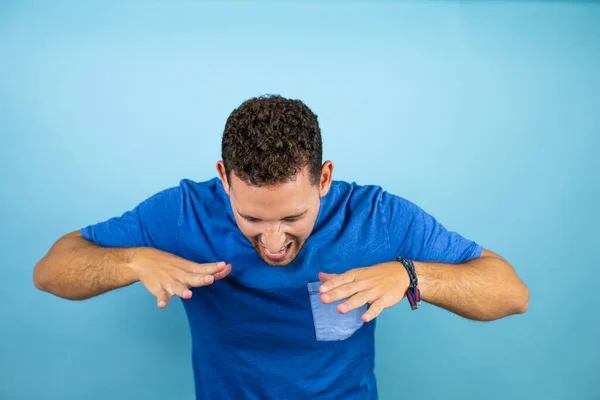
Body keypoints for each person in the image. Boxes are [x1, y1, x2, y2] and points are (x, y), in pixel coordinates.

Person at [33, 94, 529, 399]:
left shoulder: (377, 216)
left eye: (293, 217)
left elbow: (510, 292)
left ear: (324, 179)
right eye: (251, 218)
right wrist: (134, 260)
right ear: (224, 179)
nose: (273, 243)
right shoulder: (182, 212)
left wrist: (411, 274)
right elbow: (52, 270)